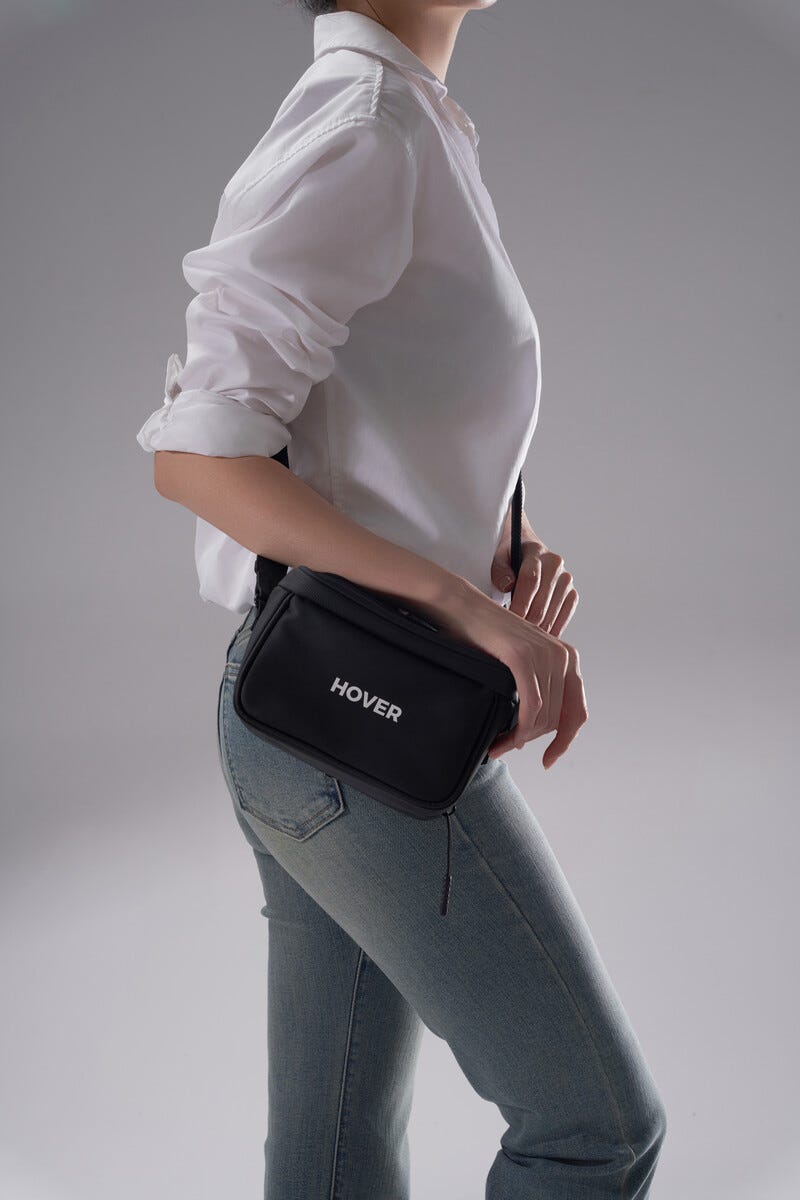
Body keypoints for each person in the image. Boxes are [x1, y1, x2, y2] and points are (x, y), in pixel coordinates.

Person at [135, 2, 667, 1196]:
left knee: (333, 1158)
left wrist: (494, 555)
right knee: (595, 1132)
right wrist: (458, 605)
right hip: (354, 721)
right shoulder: (366, 125)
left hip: (323, 718)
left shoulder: (409, 125)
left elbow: (357, 427)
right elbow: (199, 456)